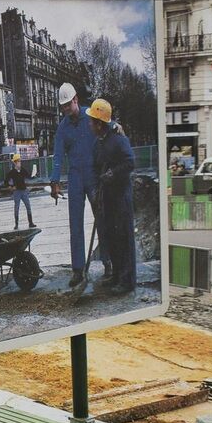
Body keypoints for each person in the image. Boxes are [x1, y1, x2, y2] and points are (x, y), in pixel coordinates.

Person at [50, 83, 109, 288]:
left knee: (102, 218)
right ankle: (77, 270)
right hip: (75, 177)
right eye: (63, 107)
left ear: (76, 99)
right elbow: (57, 155)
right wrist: (55, 180)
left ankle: (108, 262)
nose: (65, 110)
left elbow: (107, 124)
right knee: (75, 223)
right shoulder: (63, 127)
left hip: (93, 175)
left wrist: (116, 126)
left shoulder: (90, 115)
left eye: (68, 105)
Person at [89, 98, 136, 295]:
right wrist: (96, 188)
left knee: (123, 239)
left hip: (120, 197)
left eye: (92, 121)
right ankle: (117, 275)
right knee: (112, 238)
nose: (90, 124)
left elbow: (130, 163)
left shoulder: (119, 140)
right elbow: (94, 167)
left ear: (99, 123)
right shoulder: (98, 144)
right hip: (107, 198)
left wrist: (113, 174)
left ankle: (127, 281)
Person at [3, 154, 36, 230]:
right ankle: (16, 224)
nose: (20, 163)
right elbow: (5, 182)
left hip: (24, 191)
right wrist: (10, 187)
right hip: (17, 192)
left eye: (20, 161)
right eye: (18, 161)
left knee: (28, 206)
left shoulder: (23, 170)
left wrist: (33, 175)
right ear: (15, 162)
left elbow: (28, 176)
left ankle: (30, 223)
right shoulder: (12, 172)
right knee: (16, 208)